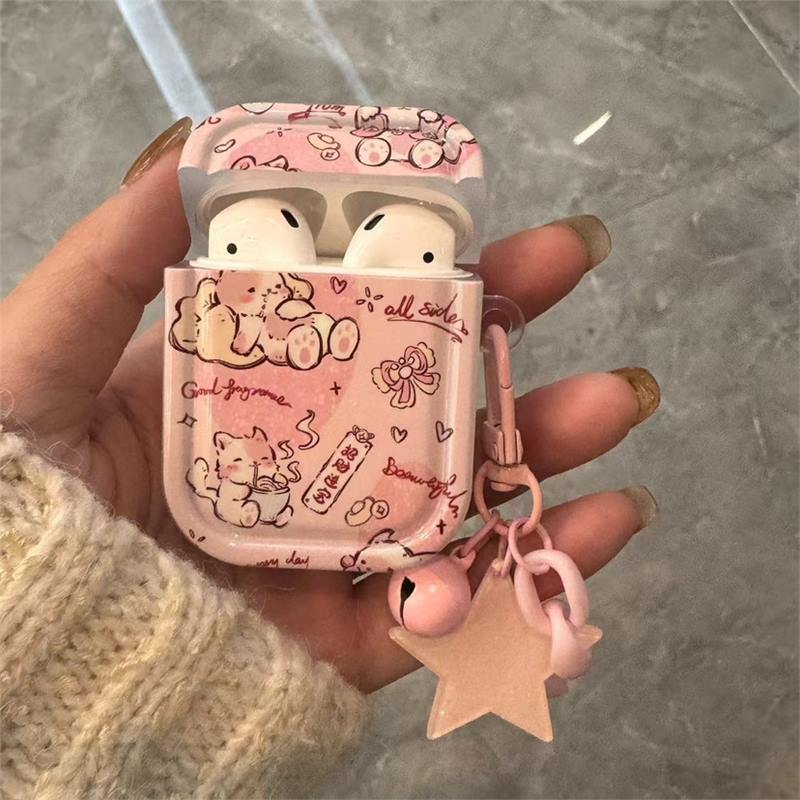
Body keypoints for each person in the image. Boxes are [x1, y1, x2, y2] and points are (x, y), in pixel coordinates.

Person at [0, 118, 660, 798]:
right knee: (320, 237)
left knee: (333, 238)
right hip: (231, 511)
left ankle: (355, 250)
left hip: (277, 517)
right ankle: (347, 249)